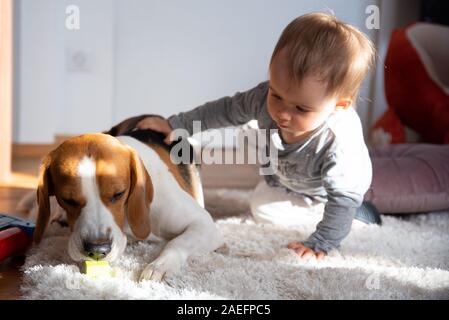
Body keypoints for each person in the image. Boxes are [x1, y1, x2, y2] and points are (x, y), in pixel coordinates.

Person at [135, 12, 379, 261]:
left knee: (343, 204)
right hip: (286, 181)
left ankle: (359, 215)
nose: (283, 113)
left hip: (328, 193)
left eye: (301, 109)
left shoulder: (339, 142)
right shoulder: (264, 98)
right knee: (261, 204)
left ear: (339, 106)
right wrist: (178, 124)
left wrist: (321, 243)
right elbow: (225, 110)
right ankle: (317, 208)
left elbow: (342, 197)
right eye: (277, 95)